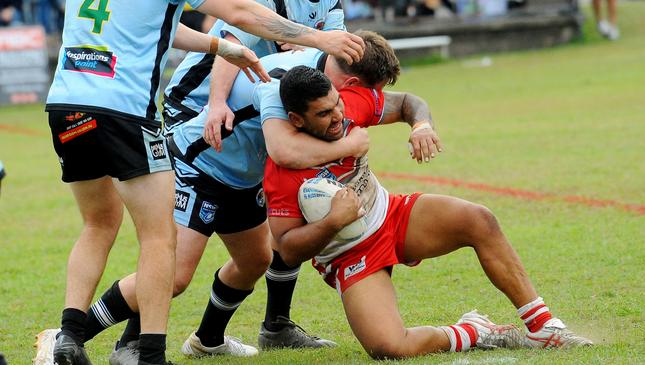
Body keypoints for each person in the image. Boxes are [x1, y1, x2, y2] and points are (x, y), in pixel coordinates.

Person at [36, 0, 364, 364]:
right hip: (128, 111)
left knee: (99, 224)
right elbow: (241, 13)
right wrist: (321, 39)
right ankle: (146, 355)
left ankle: (67, 338)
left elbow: (154, 27)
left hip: (66, 105)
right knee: (161, 243)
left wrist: (221, 47)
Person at [73, 31, 422, 364]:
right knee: (175, 275)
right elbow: (283, 150)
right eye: (368, 91)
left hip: (239, 179)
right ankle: (70, 337)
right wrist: (350, 145)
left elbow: (402, 103)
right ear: (351, 84)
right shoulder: (280, 83)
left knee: (255, 259)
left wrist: (421, 125)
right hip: (198, 165)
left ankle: (207, 341)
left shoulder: (324, 83)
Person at [262, 66, 594, 359]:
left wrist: (421, 125)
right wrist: (333, 222)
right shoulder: (282, 171)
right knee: (389, 348)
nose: (338, 116)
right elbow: (288, 249)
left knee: (478, 220)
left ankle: (543, 328)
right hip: (350, 255)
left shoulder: (349, 103)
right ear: (296, 120)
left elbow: (408, 103)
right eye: (324, 114)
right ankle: (474, 331)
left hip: (390, 214)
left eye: (337, 104)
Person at [163, 0, 346, 136]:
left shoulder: (330, 3)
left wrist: (306, 46)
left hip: (245, 104)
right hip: (194, 101)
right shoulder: (268, 1)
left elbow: (333, 57)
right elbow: (233, 48)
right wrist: (217, 102)